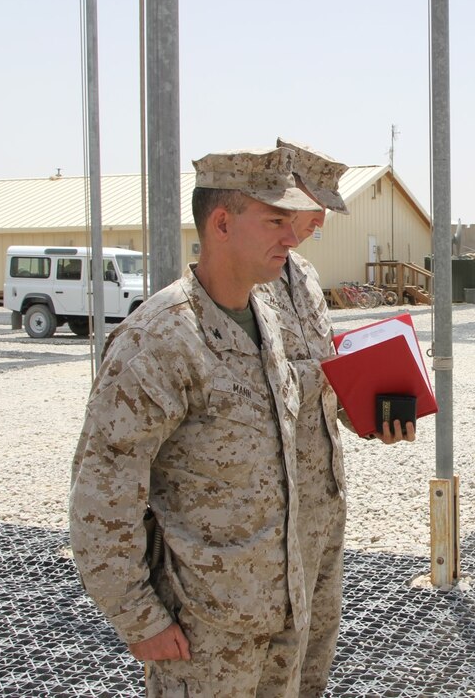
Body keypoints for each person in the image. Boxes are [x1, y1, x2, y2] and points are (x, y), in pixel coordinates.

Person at [70, 146, 326, 696]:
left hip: (282, 617)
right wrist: (139, 619)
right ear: (223, 223)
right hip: (203, 635)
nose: (292, 235)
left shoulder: (267, 323)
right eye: (276, 220)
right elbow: (101, 493)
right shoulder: (159, 340)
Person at [253, 138, 415, 697]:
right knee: (272, 656)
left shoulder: (303, 278)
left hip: (323, 503)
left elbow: (324, 384)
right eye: (311, 207)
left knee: (315, 648)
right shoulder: (241, 284)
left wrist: (371, 416)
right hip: (270, 517)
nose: (321, 221)